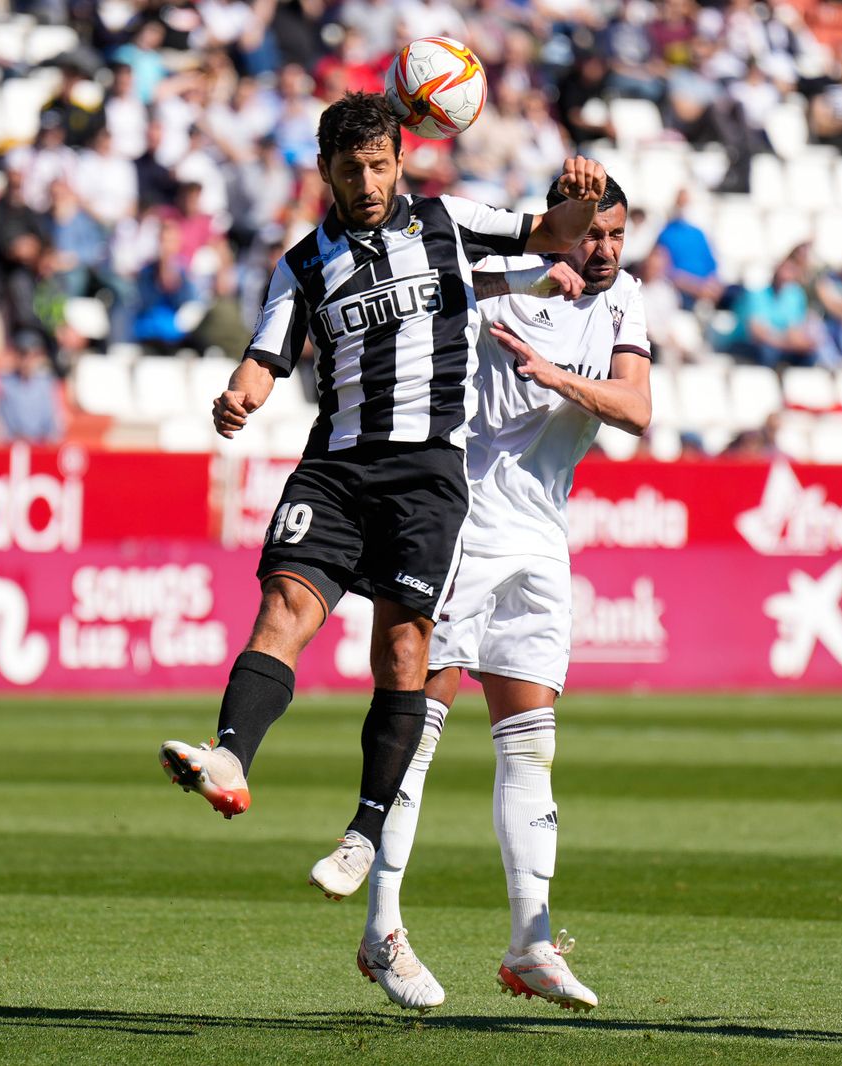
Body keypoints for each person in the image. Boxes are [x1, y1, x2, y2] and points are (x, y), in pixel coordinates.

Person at [158, 92, 607, 907]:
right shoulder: (302, 264)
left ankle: (364, 833)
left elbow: (550, 235)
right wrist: (239, 395)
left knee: (404, 652)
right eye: (349, 169)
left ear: (400, 161)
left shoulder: (447, 220)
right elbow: (267, 356)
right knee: (283, 605)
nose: (365, 183)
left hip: (426, 474)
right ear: (324, 171)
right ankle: (229, 756)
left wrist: (579, 197)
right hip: (334, 466)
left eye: (377, 165)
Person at [357, 175, 649, 1014]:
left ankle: (530, 943)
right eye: (591, 233)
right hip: (461, 520)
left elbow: (636, 409)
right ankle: (382, 930)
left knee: (530, 745)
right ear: (561, 225)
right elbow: (431, 276)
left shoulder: (625, 298)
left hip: (542, 534)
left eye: (616, 235)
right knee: (417, 730)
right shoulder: (502, 277)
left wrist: (558, 377)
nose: (604, 250)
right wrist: (525, 268)